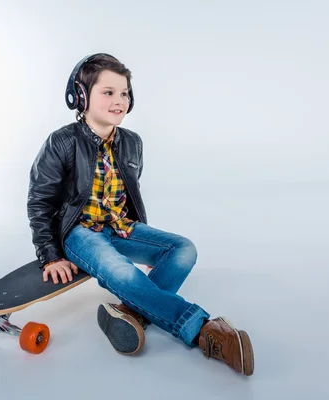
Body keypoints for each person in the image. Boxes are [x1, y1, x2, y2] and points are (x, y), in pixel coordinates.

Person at [26, 53, 254, 375]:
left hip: (121, 228)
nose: (120, 100)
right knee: (123, 274)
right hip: (80, 233)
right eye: (108, 92)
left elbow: (127, 196)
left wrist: (144, 241)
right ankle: (203, 331)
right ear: (80, 96)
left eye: (125, 93)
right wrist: (50, 256)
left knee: (183, 249)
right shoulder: (62, 143)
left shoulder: (132, 143)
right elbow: (39, 201)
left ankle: (129, 313)